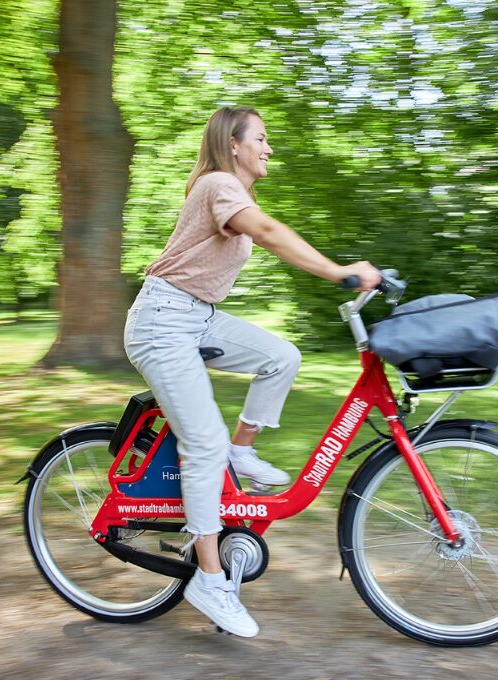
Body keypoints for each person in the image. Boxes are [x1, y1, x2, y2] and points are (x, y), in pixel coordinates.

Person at [123, 106, 381, 638]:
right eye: (261, 139)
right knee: (203, 442)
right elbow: (266, 232)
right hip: (162, 323)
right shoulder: (219, 185)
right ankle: (210, 581)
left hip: (197, 318)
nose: (268, 148)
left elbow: (260, 228)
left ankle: (242, 450)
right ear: (233, 144)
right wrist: (339, 272)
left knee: (281, 356)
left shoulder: (235, 193)